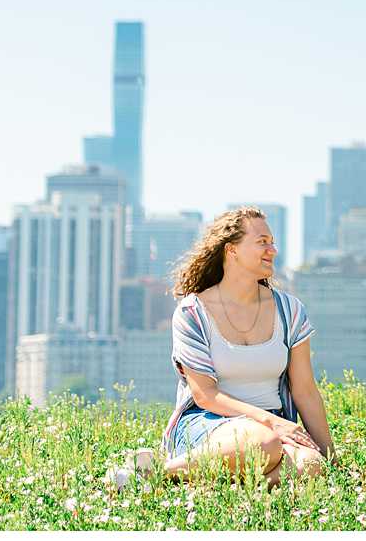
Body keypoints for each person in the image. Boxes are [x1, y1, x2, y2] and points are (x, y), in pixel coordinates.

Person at [129, 204, 334, 487]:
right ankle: (154, 474)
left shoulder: (290, 310)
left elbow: (305, 391)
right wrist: (269, 423)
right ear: (231, 250)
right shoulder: (193, 312)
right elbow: (206, 395)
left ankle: (192, 481)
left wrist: (332, 460)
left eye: (272, 243)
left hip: (274, 423)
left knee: (311, 465)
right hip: (208, 422)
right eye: (262, 242)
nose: (272, 250)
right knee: (264, 441)